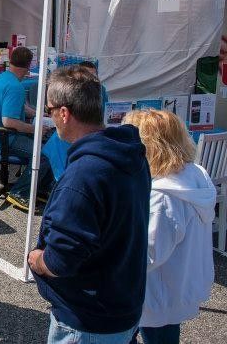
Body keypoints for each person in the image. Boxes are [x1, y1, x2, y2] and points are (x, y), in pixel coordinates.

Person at [28, 66, 150, 344]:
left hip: (88, 319)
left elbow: (62, 259)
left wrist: (37, 260)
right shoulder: (132, 156)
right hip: (123, 305)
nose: (51, 118)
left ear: (64, 113)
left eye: (49, 110)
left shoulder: (83, 177)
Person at [121, 109, 215, 344]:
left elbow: (149, 253)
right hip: (177, 283)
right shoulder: (194, 174)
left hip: (154, 291)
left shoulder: (163, 196)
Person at [0, 45, 52, 211]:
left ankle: (38, 188)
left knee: (48, 146)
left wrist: (40, 115)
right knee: (44, 155)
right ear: (29, 66)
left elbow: (18, 108)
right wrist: (36, 129)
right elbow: (8, 122)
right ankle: (19, 193)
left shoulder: (3, 79)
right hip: (4, 139)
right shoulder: (16, 87)